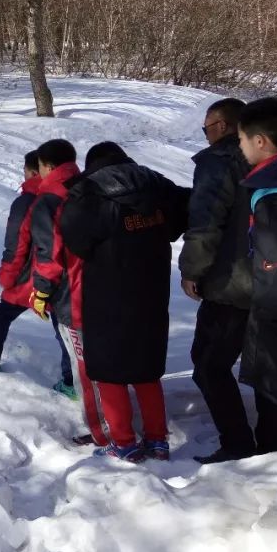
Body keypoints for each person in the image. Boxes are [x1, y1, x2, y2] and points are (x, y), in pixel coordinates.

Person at [58, 142, 189, 462]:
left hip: (107, 291)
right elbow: (181, 218)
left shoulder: (89, 193)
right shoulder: (157, 185)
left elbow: (75, 240)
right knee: (146, 368)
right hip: (152, 289)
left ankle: (124, 441)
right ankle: (158, 440)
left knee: (109, 370)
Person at [179, 98, 256, 464]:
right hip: (271, 282)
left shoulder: (218, 162)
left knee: (208, 364)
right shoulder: (271, 158)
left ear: (223, 126)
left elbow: (206, 222)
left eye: (207, 127)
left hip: (231, 284)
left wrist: (191, 270)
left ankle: (238, 442)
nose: (205, 135)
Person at [0, 150, 75, 400]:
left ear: (33, 171)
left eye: (25, 170)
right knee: (64, 328)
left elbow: (15, 245)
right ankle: (71, 382)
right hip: (62, 275)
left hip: (29, 277)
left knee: (2, 312)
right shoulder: (64, 195)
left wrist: (7, 277)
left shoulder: (27, 202)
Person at [28, 139, 101, 446]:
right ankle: (117, 416)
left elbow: (48, 254)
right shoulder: (91, 186)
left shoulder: (48, 200)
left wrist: (41, 292)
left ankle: (98, 428)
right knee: (103, 357)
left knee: (82, 363)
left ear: (47, 166)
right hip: (106, 286)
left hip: (73, 295)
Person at [238, 97, 277, 454]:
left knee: (275, 393)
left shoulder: (274, 195)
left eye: (241, 140)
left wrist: (266, 316)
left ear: (260, 141)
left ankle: (272, 462)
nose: (240, 148)